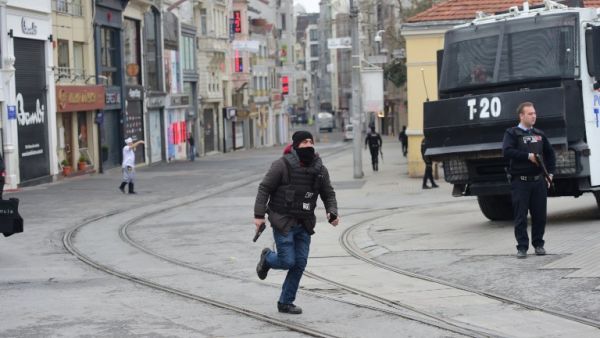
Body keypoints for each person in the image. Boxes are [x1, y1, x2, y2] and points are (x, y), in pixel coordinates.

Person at [254, 130, 339, 315]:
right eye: (304, 142)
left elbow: (328, 193)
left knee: (299, 263)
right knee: (287, 261)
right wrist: (259, 215)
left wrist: (332, 212)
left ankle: (285, 302)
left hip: (305, 223)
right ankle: (267, 258)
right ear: (295, 146)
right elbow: (264, 188)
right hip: (283, 221)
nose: (308, 145)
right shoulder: (281, 165)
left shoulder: (320, 169)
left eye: (311, 141)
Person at [502, 102, 555, 259]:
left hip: (538, 181)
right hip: (521, 182)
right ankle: (522, 247)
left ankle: (538, 245)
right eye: (530, 114)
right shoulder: (512, 133)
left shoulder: (539, 134)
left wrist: (550, 174)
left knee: (540, 216)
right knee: (521, 216)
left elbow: (550, 154)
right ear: (522, 116)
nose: (534, 116)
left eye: (534, 113)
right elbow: (507, 151)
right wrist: (528, 156)